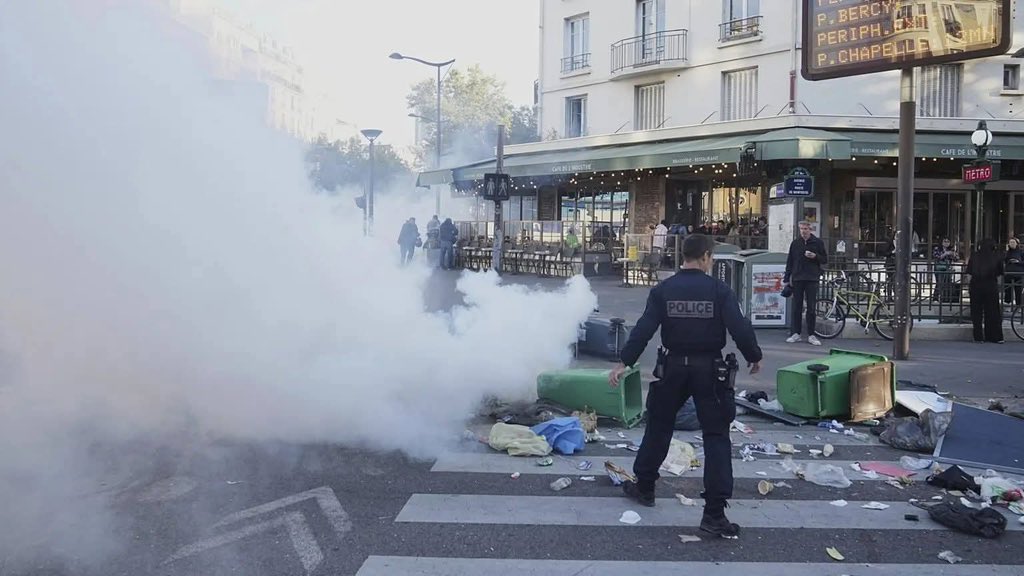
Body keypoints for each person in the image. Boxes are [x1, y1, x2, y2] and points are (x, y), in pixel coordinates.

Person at [608, 234, 762, 539]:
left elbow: (644, 328)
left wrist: (624, 361)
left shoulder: (664, 290)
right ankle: (714, 514)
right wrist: (753, 356)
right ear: (704, 257)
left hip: (672, 367)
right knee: (716, 436)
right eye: (712, 257)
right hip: (710, 370)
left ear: (685, 256)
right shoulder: (719, 290)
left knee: (659, 425)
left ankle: (646, 486)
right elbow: (739, 327)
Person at [784, 221, 828, 346]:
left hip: (812, 278)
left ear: (810, 229)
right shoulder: (795, 243)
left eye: (806, 229)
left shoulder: (817, 242)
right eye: (802, 228)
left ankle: (811, 334)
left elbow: (825, 259)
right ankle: (796, 333)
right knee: (796, 307)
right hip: (798, 278)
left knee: (811, 308)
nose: (803, 231)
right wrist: (787, 279)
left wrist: (815, 256)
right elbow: (790, 262)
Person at [966, 238, 1005, 343]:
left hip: (976, 285)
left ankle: (978, 336)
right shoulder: (997, 256)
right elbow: (1000, 274)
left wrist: (969, 286)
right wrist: (998, 287)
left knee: (976, 312)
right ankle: (994, 336)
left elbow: (969, 273)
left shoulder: (974, 256)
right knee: (992, 312)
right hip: (991, 285)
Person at [1004, 237, 1023, 305]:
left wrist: (1018, 262)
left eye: (1013, 242)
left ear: (1017, 244)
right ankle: (1008, 303)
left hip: (1018, 274)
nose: (1012, 244)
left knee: (1018, 291)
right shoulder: (1007, 252)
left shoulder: (1021, 252)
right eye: (1010, 242)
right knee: (1007, 290)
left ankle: (1019, 305)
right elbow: (1004, 261)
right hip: (1008, 273)